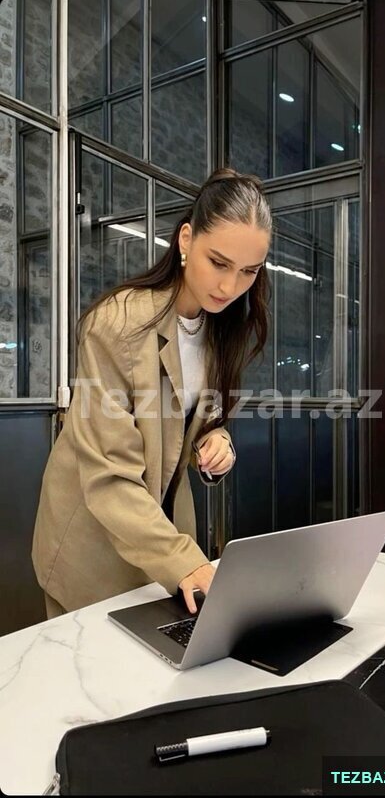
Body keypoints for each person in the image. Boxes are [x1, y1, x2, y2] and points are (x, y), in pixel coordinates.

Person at [32, 168, 272, 619]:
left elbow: (192, 419)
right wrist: (186, 561)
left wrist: (216, 439)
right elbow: (109, 475)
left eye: (248, 272)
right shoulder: (118, 324)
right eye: (218, 263)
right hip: (92, 544)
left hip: (159, 537)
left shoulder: (218, 328)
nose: (229, 286)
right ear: (186, 240)